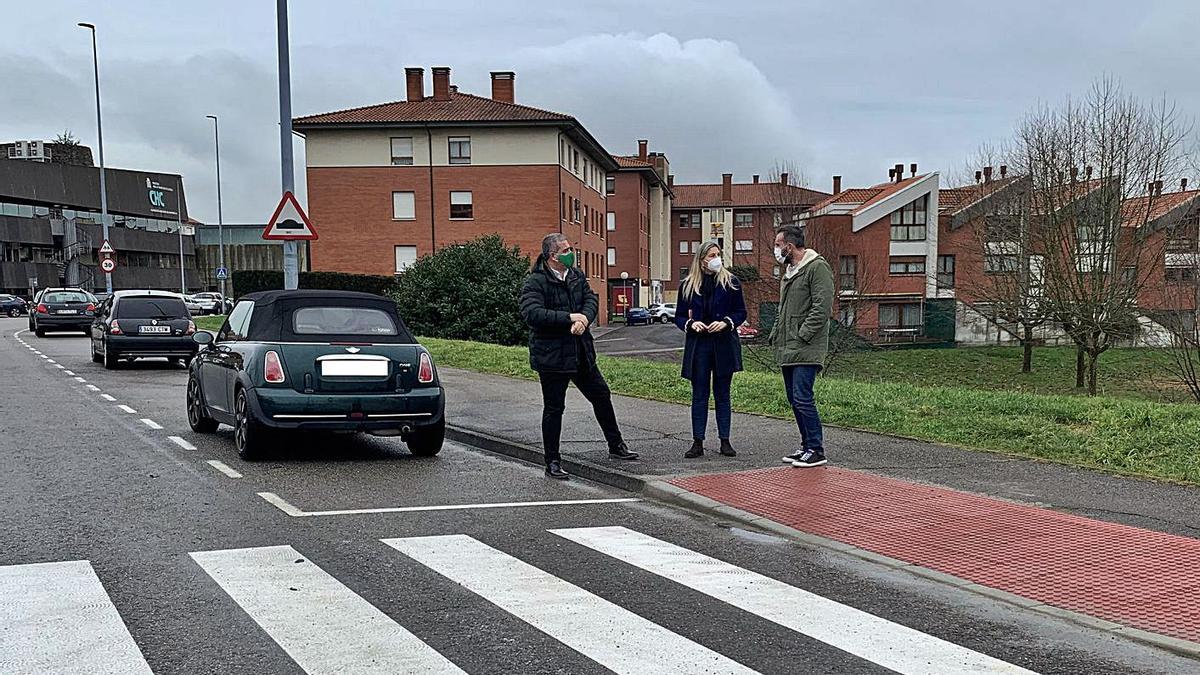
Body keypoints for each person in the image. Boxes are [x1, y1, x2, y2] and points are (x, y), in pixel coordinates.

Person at [521, 233, 638, 479]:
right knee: (554, 409)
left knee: (601, 395)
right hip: (552, 358)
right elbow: (533, 313)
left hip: (581, 353)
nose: (570, 252)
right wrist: (568, 319)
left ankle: (616, 445)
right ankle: (552, 461)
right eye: (565, 249)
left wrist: (584, 318)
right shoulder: (536, 282)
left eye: (570, 248)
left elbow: (590, 301)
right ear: (552, 256)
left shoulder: (576, 276)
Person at [769, 224, 834, 468]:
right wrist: (776, 333)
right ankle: (806, 446)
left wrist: (803, 334)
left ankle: (816, 448)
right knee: (793, 398)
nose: (776, 250)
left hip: (806, 347)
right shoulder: (789, 272)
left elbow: (822, 307)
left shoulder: (817, 268)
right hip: (788, 346)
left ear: (790, 245)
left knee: (802, 396)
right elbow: (783, 308)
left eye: (778, 244)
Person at [674, 241, 746, 459]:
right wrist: (690, 324)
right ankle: (698, 442)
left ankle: (725, 440)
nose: (716, 258)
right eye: (711, 255)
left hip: (723, 343)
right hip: (699, 345)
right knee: (700, 394)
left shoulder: (731, 282)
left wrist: (726, 322)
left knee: (723, 393)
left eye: (718, 254)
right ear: (702, 259)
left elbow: (740, 312)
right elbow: (678, 315)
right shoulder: (688, 285)